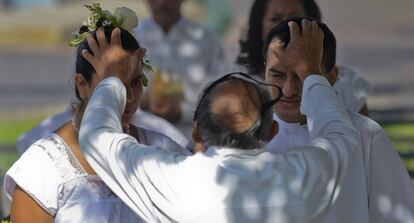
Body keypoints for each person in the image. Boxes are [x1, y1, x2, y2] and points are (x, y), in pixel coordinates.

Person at [79, 20, 358, 222]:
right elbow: (341, 135)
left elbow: (97, 136)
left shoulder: (177, 180)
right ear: (272, 132)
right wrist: (310, 72)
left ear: (197, 131)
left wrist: (111, 79)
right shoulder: (300, 177)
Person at [3, 5, 189, 223]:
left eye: (136, 83)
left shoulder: (164, 151)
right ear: (82, 85)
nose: (127, 97)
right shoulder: (42, 168)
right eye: (113, 84)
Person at [264, 18, 414, 223]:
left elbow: (398, 214)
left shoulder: (365, 134)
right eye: (277, 75)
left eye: (301, 76)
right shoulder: (246, 139)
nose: (288, 90)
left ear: (332, 77)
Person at [237, 0, 373, 115]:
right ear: (259, 27)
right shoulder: (240, 85)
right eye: (275, 19)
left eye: (294, 18)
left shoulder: (346, 83)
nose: (288, 91)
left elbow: (365, 137)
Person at [135, 0, 227, 126]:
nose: (162, 3)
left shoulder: (206, 39)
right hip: (141, 138)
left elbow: (220, 97)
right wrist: (138, 100)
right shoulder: (132, 37)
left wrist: (183, 111)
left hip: (192, 139)